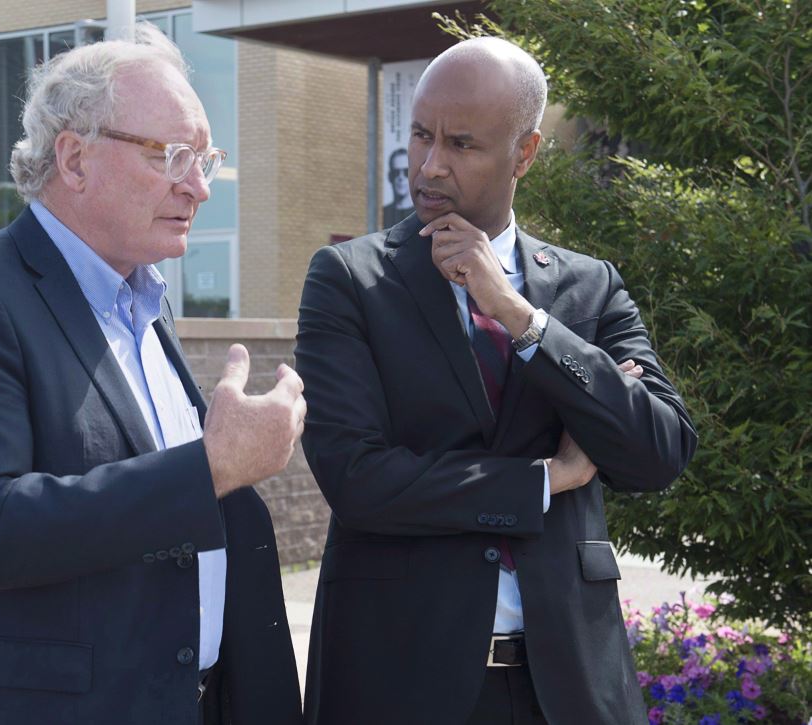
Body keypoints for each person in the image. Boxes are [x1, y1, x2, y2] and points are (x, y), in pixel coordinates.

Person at [0, 26, 305, 725]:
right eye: (172, 155)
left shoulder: (147, 303)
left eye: (205, 159)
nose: (199, 186)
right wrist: (211, 467)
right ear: (74, 158)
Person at [295, 36, 697, 725]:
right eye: (421, 135)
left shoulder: (588, 288)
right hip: (399, 681)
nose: (429, 165)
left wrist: (520, 317)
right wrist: (547, 477)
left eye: (461, 144)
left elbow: (657, 451)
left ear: (526, 153)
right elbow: (358, 478)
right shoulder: (350, 281)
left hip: (568, 684)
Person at [382, 147, 414, 227]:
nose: (401, 177)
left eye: (406, 172)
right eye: (396, 173)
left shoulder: (423, 215)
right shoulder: (382, 214)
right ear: (390, 177)